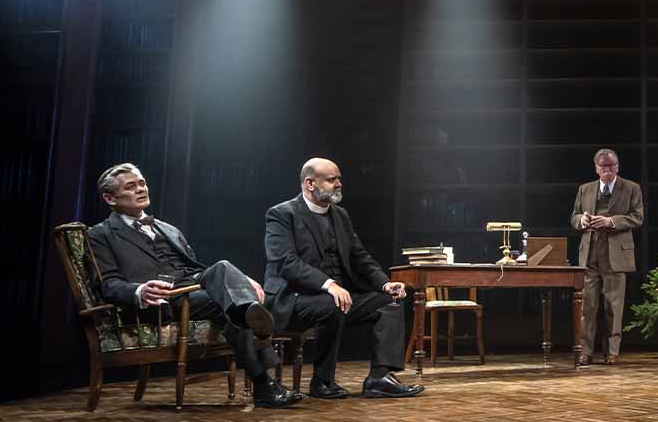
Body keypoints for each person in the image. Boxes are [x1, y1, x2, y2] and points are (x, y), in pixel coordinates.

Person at [88, 163, 302, 408]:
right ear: (109, 198)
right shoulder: (101, 235)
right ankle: (263, 380)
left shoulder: (167, 228)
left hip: (192, 285)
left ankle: (248, 318)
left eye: (142, 183)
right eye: (131, 186)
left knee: (223, 268)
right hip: (164, 299)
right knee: (230, 306)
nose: (141, 189)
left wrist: (241, 280)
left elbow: (195, 269)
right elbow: (108, 284)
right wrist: (138, 290)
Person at [264, 157, 423, 399]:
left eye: (339, 179)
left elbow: (360, 257)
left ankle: (379, 378)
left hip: (338, 297)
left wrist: (385, 283)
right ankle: (322, 382)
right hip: (294, 299)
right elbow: (286, 262)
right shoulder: (282, 214)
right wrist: (328, 285)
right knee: (335, 303)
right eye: (331, 180)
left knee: (389, 302)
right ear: (309, 183)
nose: (338, 184)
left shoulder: (340, 216)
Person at [569, 148, 644, 366]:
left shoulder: (631, 188)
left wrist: (611, 222)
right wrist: (582, 221)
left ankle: (612, 351)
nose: (608, 170)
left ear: (617, 166)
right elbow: (573, 217)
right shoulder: (585, 189)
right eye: (603, 167)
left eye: (612, 166)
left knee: (614, 306)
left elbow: (637, 218)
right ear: (596, 168)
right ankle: (585, 351)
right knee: (587, 306)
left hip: (615, 254)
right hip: (590, 254)